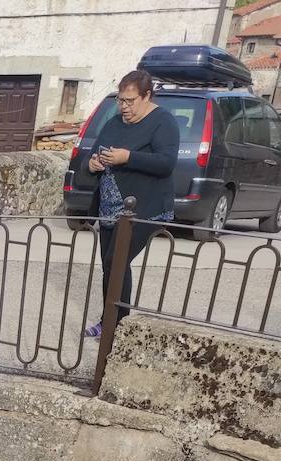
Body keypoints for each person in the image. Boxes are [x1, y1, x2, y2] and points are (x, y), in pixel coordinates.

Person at [84, 69, 181, 338]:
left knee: (117, 260)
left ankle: (117, 325)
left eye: (130, 101)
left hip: (144, 208)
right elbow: (95, 153)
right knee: (109, 264)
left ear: (147, 95)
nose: (124, 107)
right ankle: (109, 321)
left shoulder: (163, 121)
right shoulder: (114, 122)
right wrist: (92, 164)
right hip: (109, 207)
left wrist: (129, 157)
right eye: (120, 100)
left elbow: (166, 163)